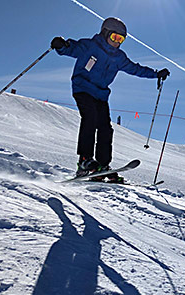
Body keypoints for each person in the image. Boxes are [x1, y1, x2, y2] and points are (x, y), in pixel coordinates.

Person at [51, 17, 170, 182]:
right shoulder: (90, 46)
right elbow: (72, 48)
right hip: (83, 88)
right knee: (90, 118)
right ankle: (84, 161)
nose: (117, 42)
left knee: (106, 129)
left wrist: (156, 74)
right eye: (114, 37)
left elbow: (135, 69)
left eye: (121, 39)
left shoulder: (119, 57)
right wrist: (62, 46)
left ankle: (102, 165)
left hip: (101, 95)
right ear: (105, 33)